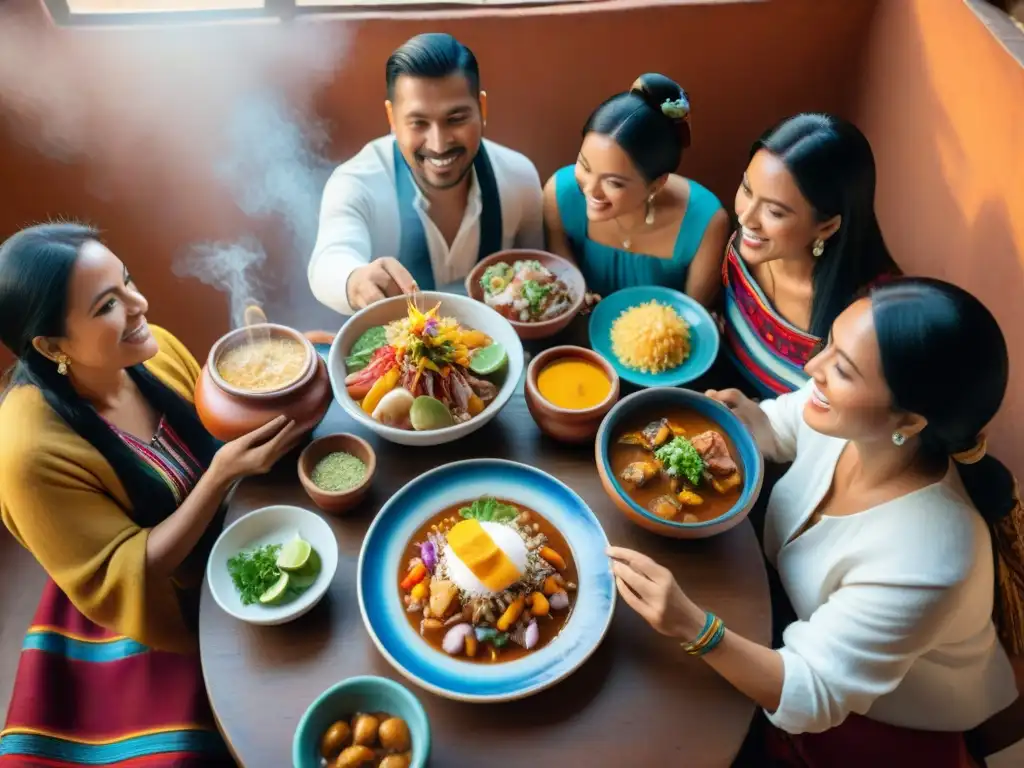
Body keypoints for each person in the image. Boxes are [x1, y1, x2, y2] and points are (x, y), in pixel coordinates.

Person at [609, 277, 1021, 766]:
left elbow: (809, 695)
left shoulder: (930, 559)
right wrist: (747, 418)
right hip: (786, 617)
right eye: (829, 345)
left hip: (879, 712)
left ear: (909, 422)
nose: (812, 368)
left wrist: (690, 624)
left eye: (842, 369)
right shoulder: (850, 422)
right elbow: (781, 427)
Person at [0, 223, 300, 766]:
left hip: (224, 537)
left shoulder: (150, 355)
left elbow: (220, 418)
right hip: (161, 596)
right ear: (51, 346)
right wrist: (219, 477)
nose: (140, 304)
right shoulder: (26, 455)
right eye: (107, 304)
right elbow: (132, 568)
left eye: (128, 280)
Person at [308, 33, 545, 316]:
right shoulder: (356, 183)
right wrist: (354, 280)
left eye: (455, 119)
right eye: (419, 123)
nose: (439, 143)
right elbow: (328, 259)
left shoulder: (519, 178)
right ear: (392, 119)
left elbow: (538, 278)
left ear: (482, 109)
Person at [723, 113, 899, 397]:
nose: (747, 217)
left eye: (775, 211)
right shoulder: (742, 247)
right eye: (746, 188)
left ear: (827, 226)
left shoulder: (868, 317)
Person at [543, 74, 728, 306]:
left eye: (613, 183)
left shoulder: (706, 223)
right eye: (584, 165)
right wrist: (577, 298)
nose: (590, 190)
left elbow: (694, 318)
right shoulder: (561, 194)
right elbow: (564, 280)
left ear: (657, 184)